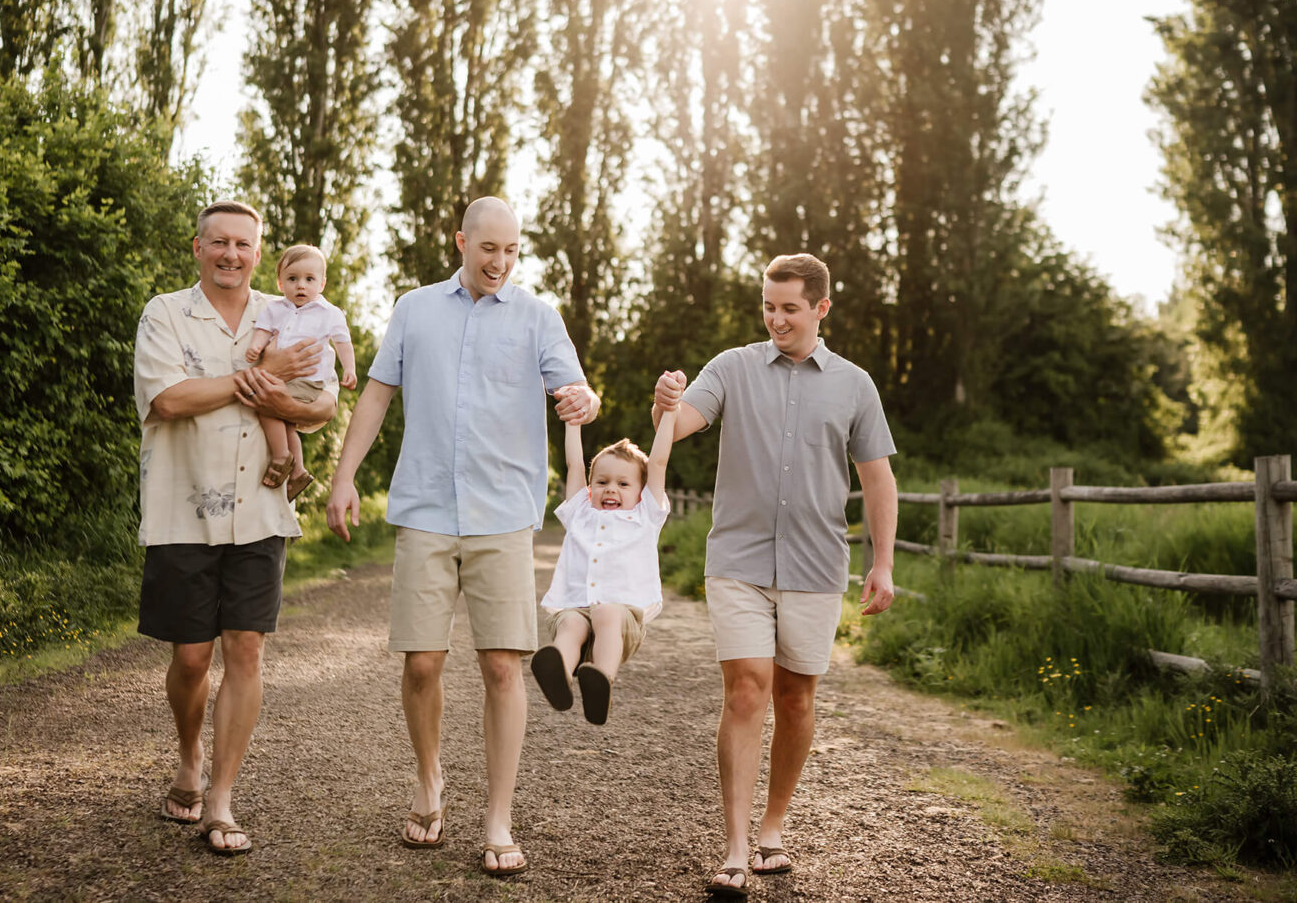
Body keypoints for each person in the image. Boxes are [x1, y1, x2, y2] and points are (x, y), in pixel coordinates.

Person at [325, 196, 600, 879]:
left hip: (502, 513)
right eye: (489, 249)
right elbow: (377, 394)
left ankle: (498, 818)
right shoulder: (414, 308)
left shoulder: (538, 316)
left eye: (511, 250)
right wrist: (344, 476)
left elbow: (577, 391)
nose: (500, 262)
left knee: (503, 666)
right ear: (461, 242)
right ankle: (429, 780)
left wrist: (585, 400)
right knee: (421, 663)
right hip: (424, 507)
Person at [650, 253, 901, 897]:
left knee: (795, 699)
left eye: (790, 308)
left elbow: (878, 478)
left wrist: (882, 562)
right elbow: (680, 426)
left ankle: (773, 825)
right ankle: (735, 846)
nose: (776, 319)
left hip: (816, 565)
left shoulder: (855, 385)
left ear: (821, 308)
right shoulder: (731, 368)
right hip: (738, 560)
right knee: (746, 691)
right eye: (769, 306)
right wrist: (665, 405)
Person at [132, 200, 329, 856]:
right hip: (181, 508)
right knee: (191, 657)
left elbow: (324, 403)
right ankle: (189, 754)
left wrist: (287, 395)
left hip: (261, 511)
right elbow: (168, 399)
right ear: (198, 247)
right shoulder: (164, 313)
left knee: (245, 650)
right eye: (219, 242)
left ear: (259, 252)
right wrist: (264, 376)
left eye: (243, 244)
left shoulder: (288, 311)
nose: (231, 254)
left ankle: (219, 798)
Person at [529, 411, 675, 724]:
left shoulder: (645, 516)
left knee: (606, 611)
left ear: (641, 491)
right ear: (590, 488)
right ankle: (561, 674)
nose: (611, 489)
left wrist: (670, 412)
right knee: (570, 622)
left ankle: (601, 680)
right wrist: (573, 422)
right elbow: (574, 465)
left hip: (622, 622)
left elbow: (659, 462)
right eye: (602, 482)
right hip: (577, 611)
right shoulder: (580, 513)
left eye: (623, 483)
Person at [242, 243, 357, 497]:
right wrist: (256, 345)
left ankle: (281, 456)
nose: (301, 286)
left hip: (309, 380)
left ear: (322, 284)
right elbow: (263, 329)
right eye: (292, 279)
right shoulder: (275, 309)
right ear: (280, 283)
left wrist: (349, 368)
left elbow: (342, 342)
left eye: (309, 279)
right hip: (284, 378)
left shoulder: (329, 313)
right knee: (286, 422)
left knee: (266, 404)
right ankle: (299, 471)